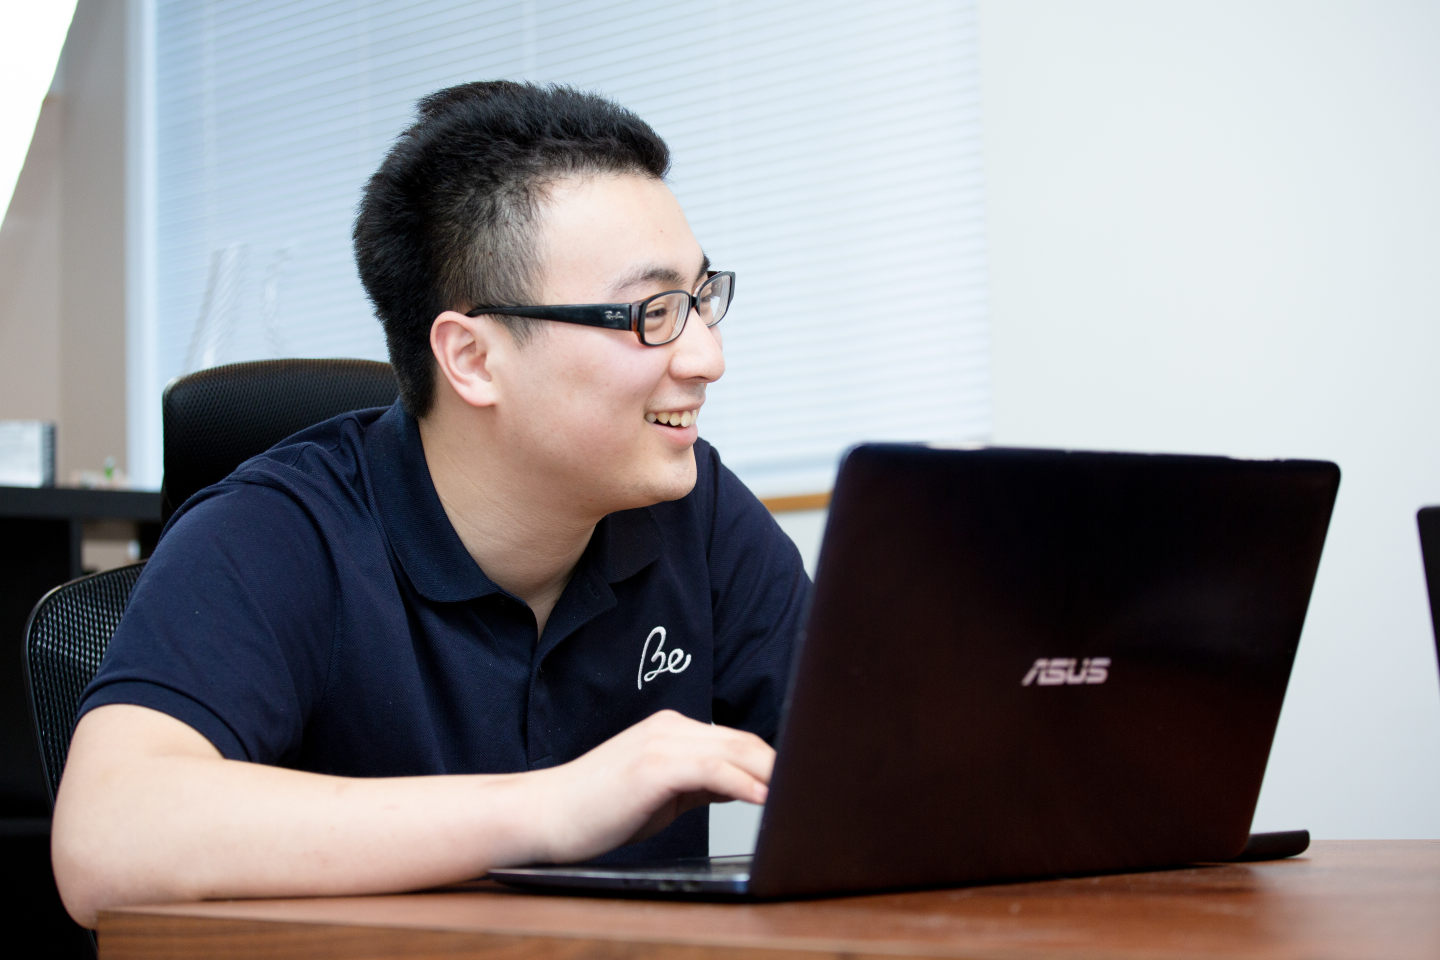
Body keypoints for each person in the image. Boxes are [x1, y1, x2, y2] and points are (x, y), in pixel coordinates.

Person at [52, 82, 810, 928]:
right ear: (473, 358)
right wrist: (552, 807)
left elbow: (880, 761)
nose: (707, 357)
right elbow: (106, 839)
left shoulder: (693, 510)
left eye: (701, 300)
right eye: (652, 313)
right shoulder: (276, 532)